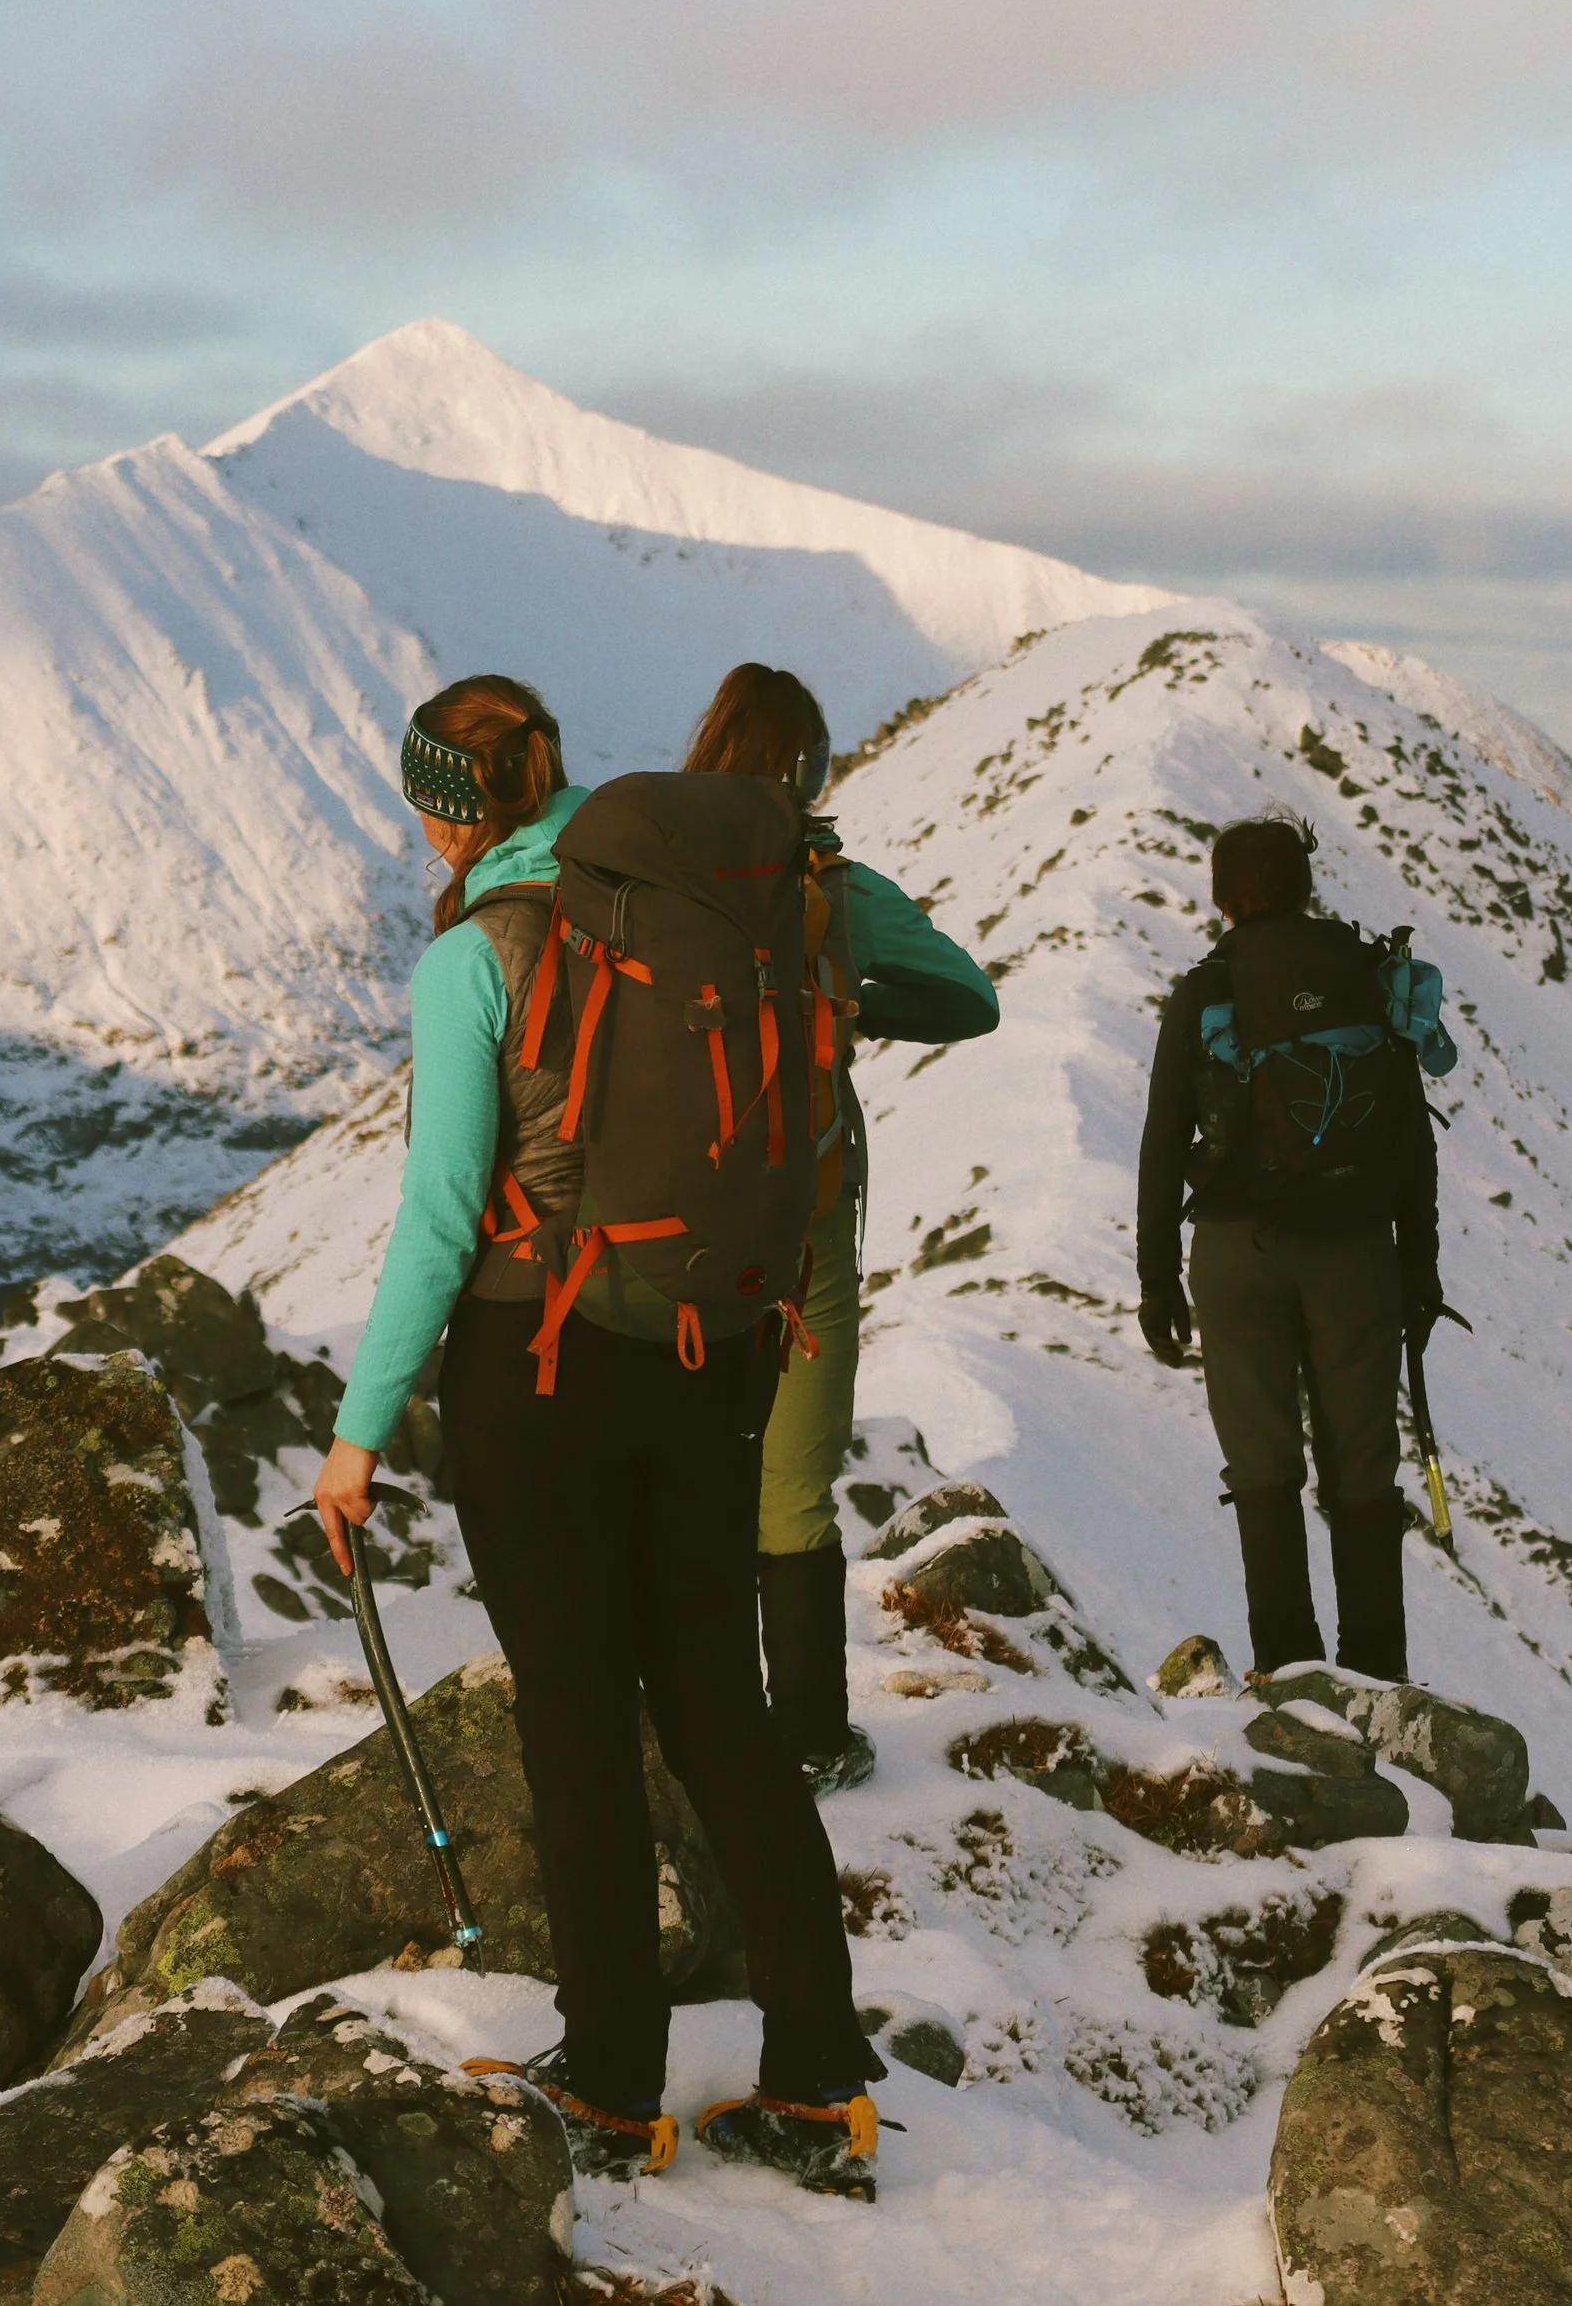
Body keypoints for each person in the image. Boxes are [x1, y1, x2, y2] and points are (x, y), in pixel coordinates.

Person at [312, 672, 884, 2203]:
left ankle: (614, 2078)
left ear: (444, 805)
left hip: (541, 1361)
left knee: (575, 1719)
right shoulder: (679, 887)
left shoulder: (479, 950)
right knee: (719, 1704)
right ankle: (822, 2075)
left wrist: (359, 1433)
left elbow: (442, 1218)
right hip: (711, 1350)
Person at [682, 663, 1001, 1791]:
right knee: (792, 1479)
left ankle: (686, 1716)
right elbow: (971, 999)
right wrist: (849, 999)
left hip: (660, 1223)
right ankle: (810, 1731)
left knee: (678, 1465)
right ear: (810, 771)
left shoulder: (639, 878)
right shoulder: (831, 891)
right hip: (802, 1208)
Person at [1133, 814, 1444, 1683]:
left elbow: (1163, 1144)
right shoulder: (1368, 977)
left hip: (1237, 1256)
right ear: (1306, 884)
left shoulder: (1205, 992)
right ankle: (1380, 1680)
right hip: (1355, 1253)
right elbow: (1412, 1140)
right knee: (1364, 1470)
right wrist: (1418, 1269)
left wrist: (1157, 1281)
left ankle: (1292, 1680)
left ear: (1221, 896)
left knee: (1264, 1467)